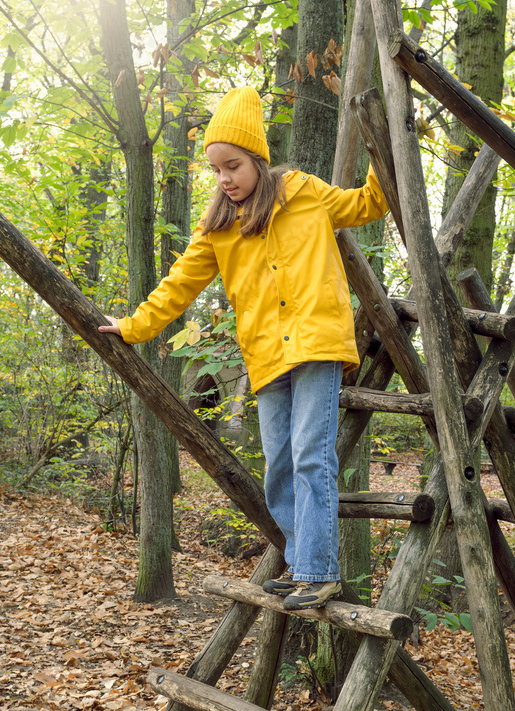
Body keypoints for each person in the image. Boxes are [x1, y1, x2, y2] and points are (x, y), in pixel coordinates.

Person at [99, 85, 388, 611]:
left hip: (318, 343)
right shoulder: (217, 228)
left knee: (309, 455)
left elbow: (368, 203)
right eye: (215, 170)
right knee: (278, 462)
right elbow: (177, 286)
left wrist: (380, 143)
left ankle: (321, 571)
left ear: (257, 159)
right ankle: (302, 565)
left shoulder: (303, 191)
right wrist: (134, 326)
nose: (224, 178)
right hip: (266, 354)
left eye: (232, 165)